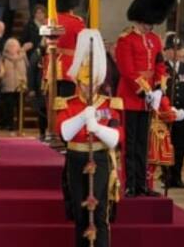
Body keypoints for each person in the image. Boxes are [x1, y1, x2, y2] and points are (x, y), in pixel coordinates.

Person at [57, 28, 122, 247]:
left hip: (101, 159)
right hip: (76, 159)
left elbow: (116, 138)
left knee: (101, 213)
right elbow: (64, 133)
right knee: (80, 214)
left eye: (92, 82)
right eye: (84, 82)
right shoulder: (68, 103)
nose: (88, 87)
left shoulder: (109, 104)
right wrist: (82, 118)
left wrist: (97, 127)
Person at [115, 0, 175, 197]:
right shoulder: (126, 40)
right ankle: (130, 184)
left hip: (148, 99)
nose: (151, 27)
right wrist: (146, 91)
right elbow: (128, 71)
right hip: (131, 97)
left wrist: (158, 89)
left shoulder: (154, 40)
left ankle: (142, 184)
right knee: (130, 145)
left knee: (143, 144)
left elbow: (160, 65)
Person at [41, 0, 87, 102]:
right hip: (69, 70)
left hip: (51, 68)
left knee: (51, 108)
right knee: (67, 108)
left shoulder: (51, 19)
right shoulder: (76, 22)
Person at [162, 33, 184, 189]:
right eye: (172, 49)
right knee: (166, 146)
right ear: (166, 51)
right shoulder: (162, 67)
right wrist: (167, 108)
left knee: (180, 147)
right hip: (166, 114)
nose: (175, 53)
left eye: (178, 49)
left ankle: (177, 177)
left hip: (181, 115)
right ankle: (166, 176)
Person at [21, 5, 47, 139]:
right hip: (39, 85)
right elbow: (32, 70)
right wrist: (31, 87)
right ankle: (42, 132)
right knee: (42, 110)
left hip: (48, 85)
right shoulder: (37, 54)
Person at [0, 38, 27, 131]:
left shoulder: (23, 57)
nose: (12, 47)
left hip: (20, 87)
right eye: (10, 46)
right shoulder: (3, 58)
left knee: (20, 108)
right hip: (7, 87)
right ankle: (9, 125)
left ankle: (20, 125)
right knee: (8, 108)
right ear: (7, 47)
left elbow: (27, 71)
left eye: (14, 45)